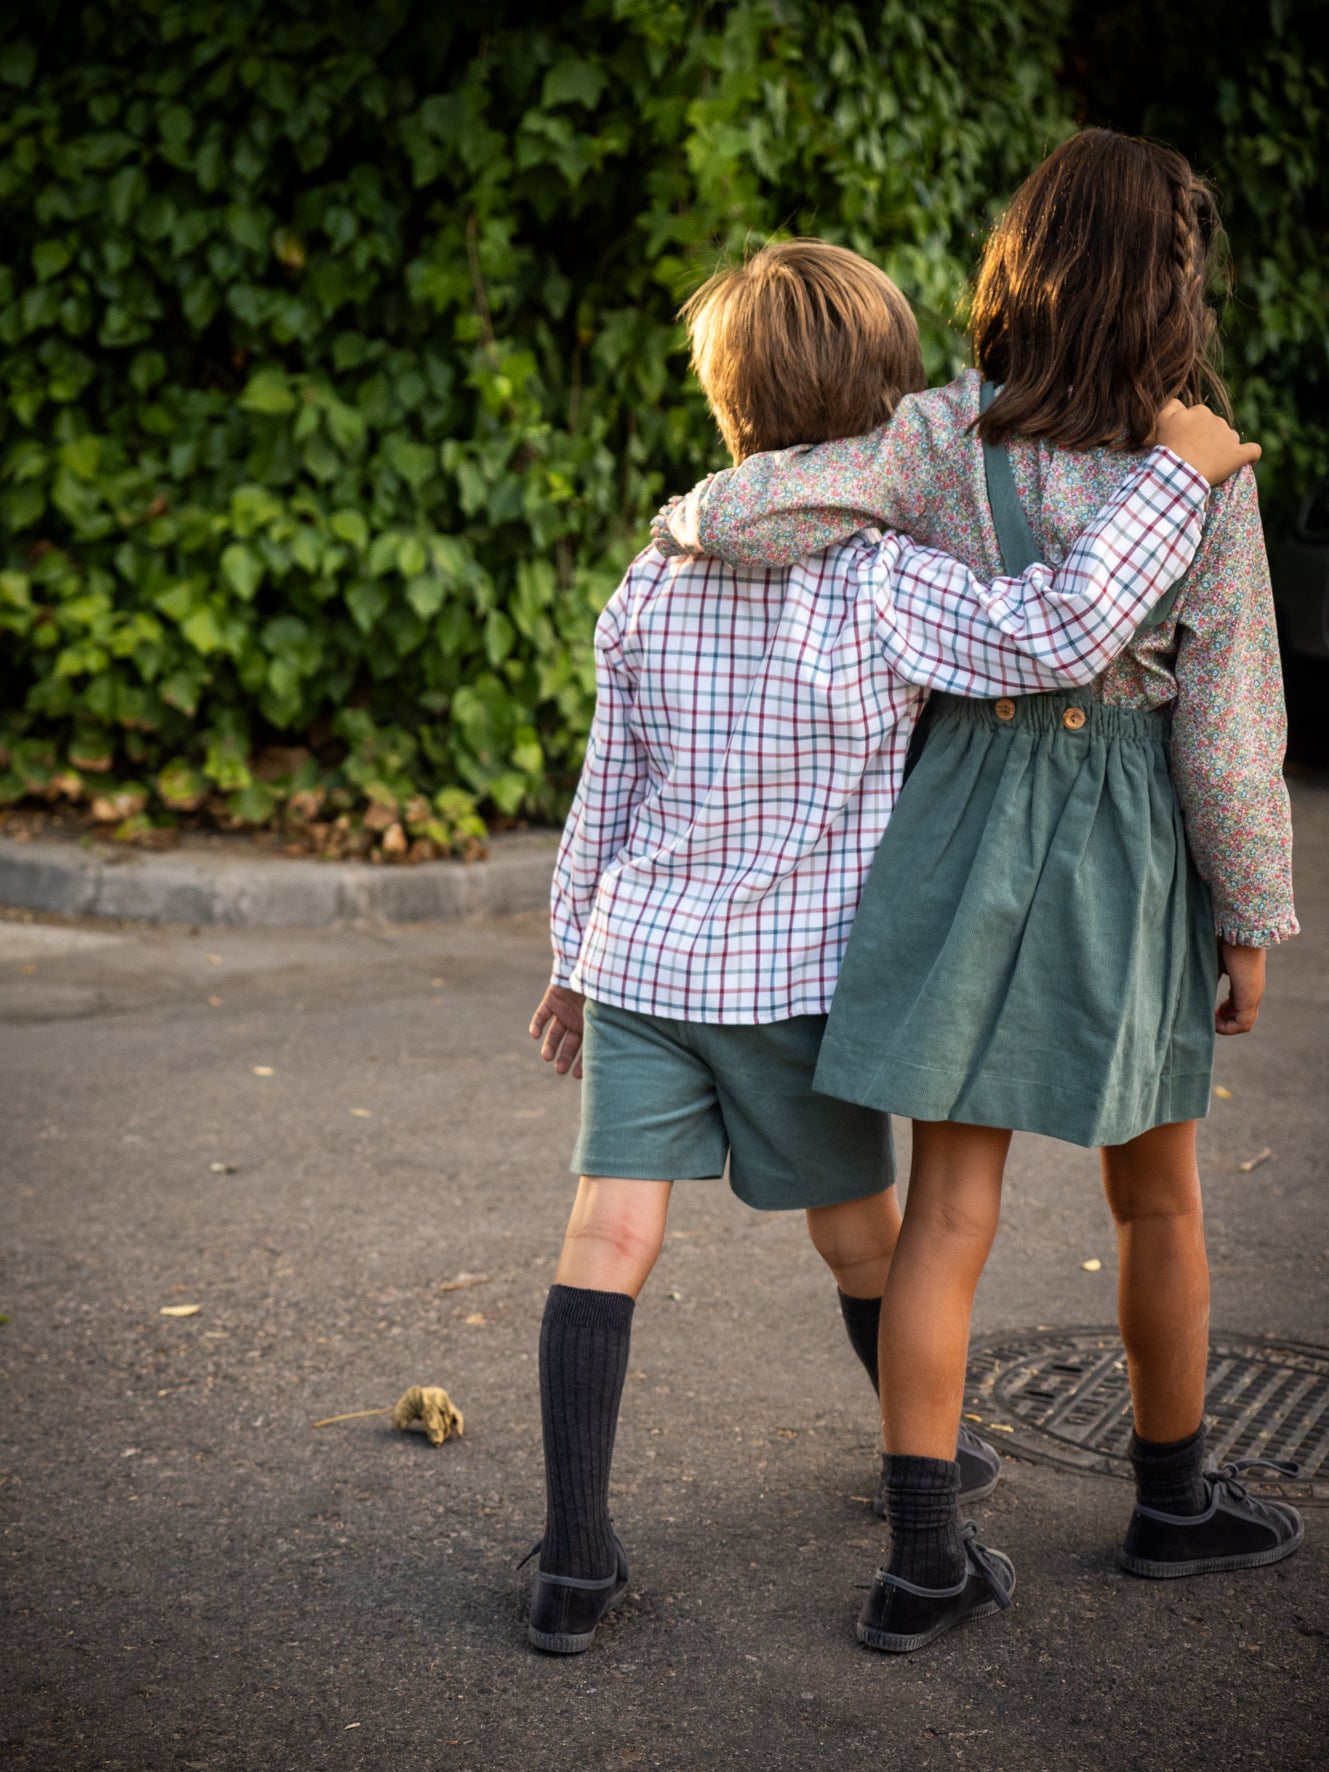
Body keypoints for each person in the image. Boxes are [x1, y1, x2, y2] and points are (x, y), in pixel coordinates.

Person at [524, 235, 1256, 1655]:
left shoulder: (656, 571)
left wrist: (568, 955)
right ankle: (923, 1467)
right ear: (884, 416)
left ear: (727, 410)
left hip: (642, 973)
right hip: (794, 988)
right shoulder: (879, 586)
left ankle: (572, 1563)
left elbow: (603, 788)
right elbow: (1058, 633)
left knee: (608, 1238)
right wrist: (1176, 478)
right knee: (867, 1246)